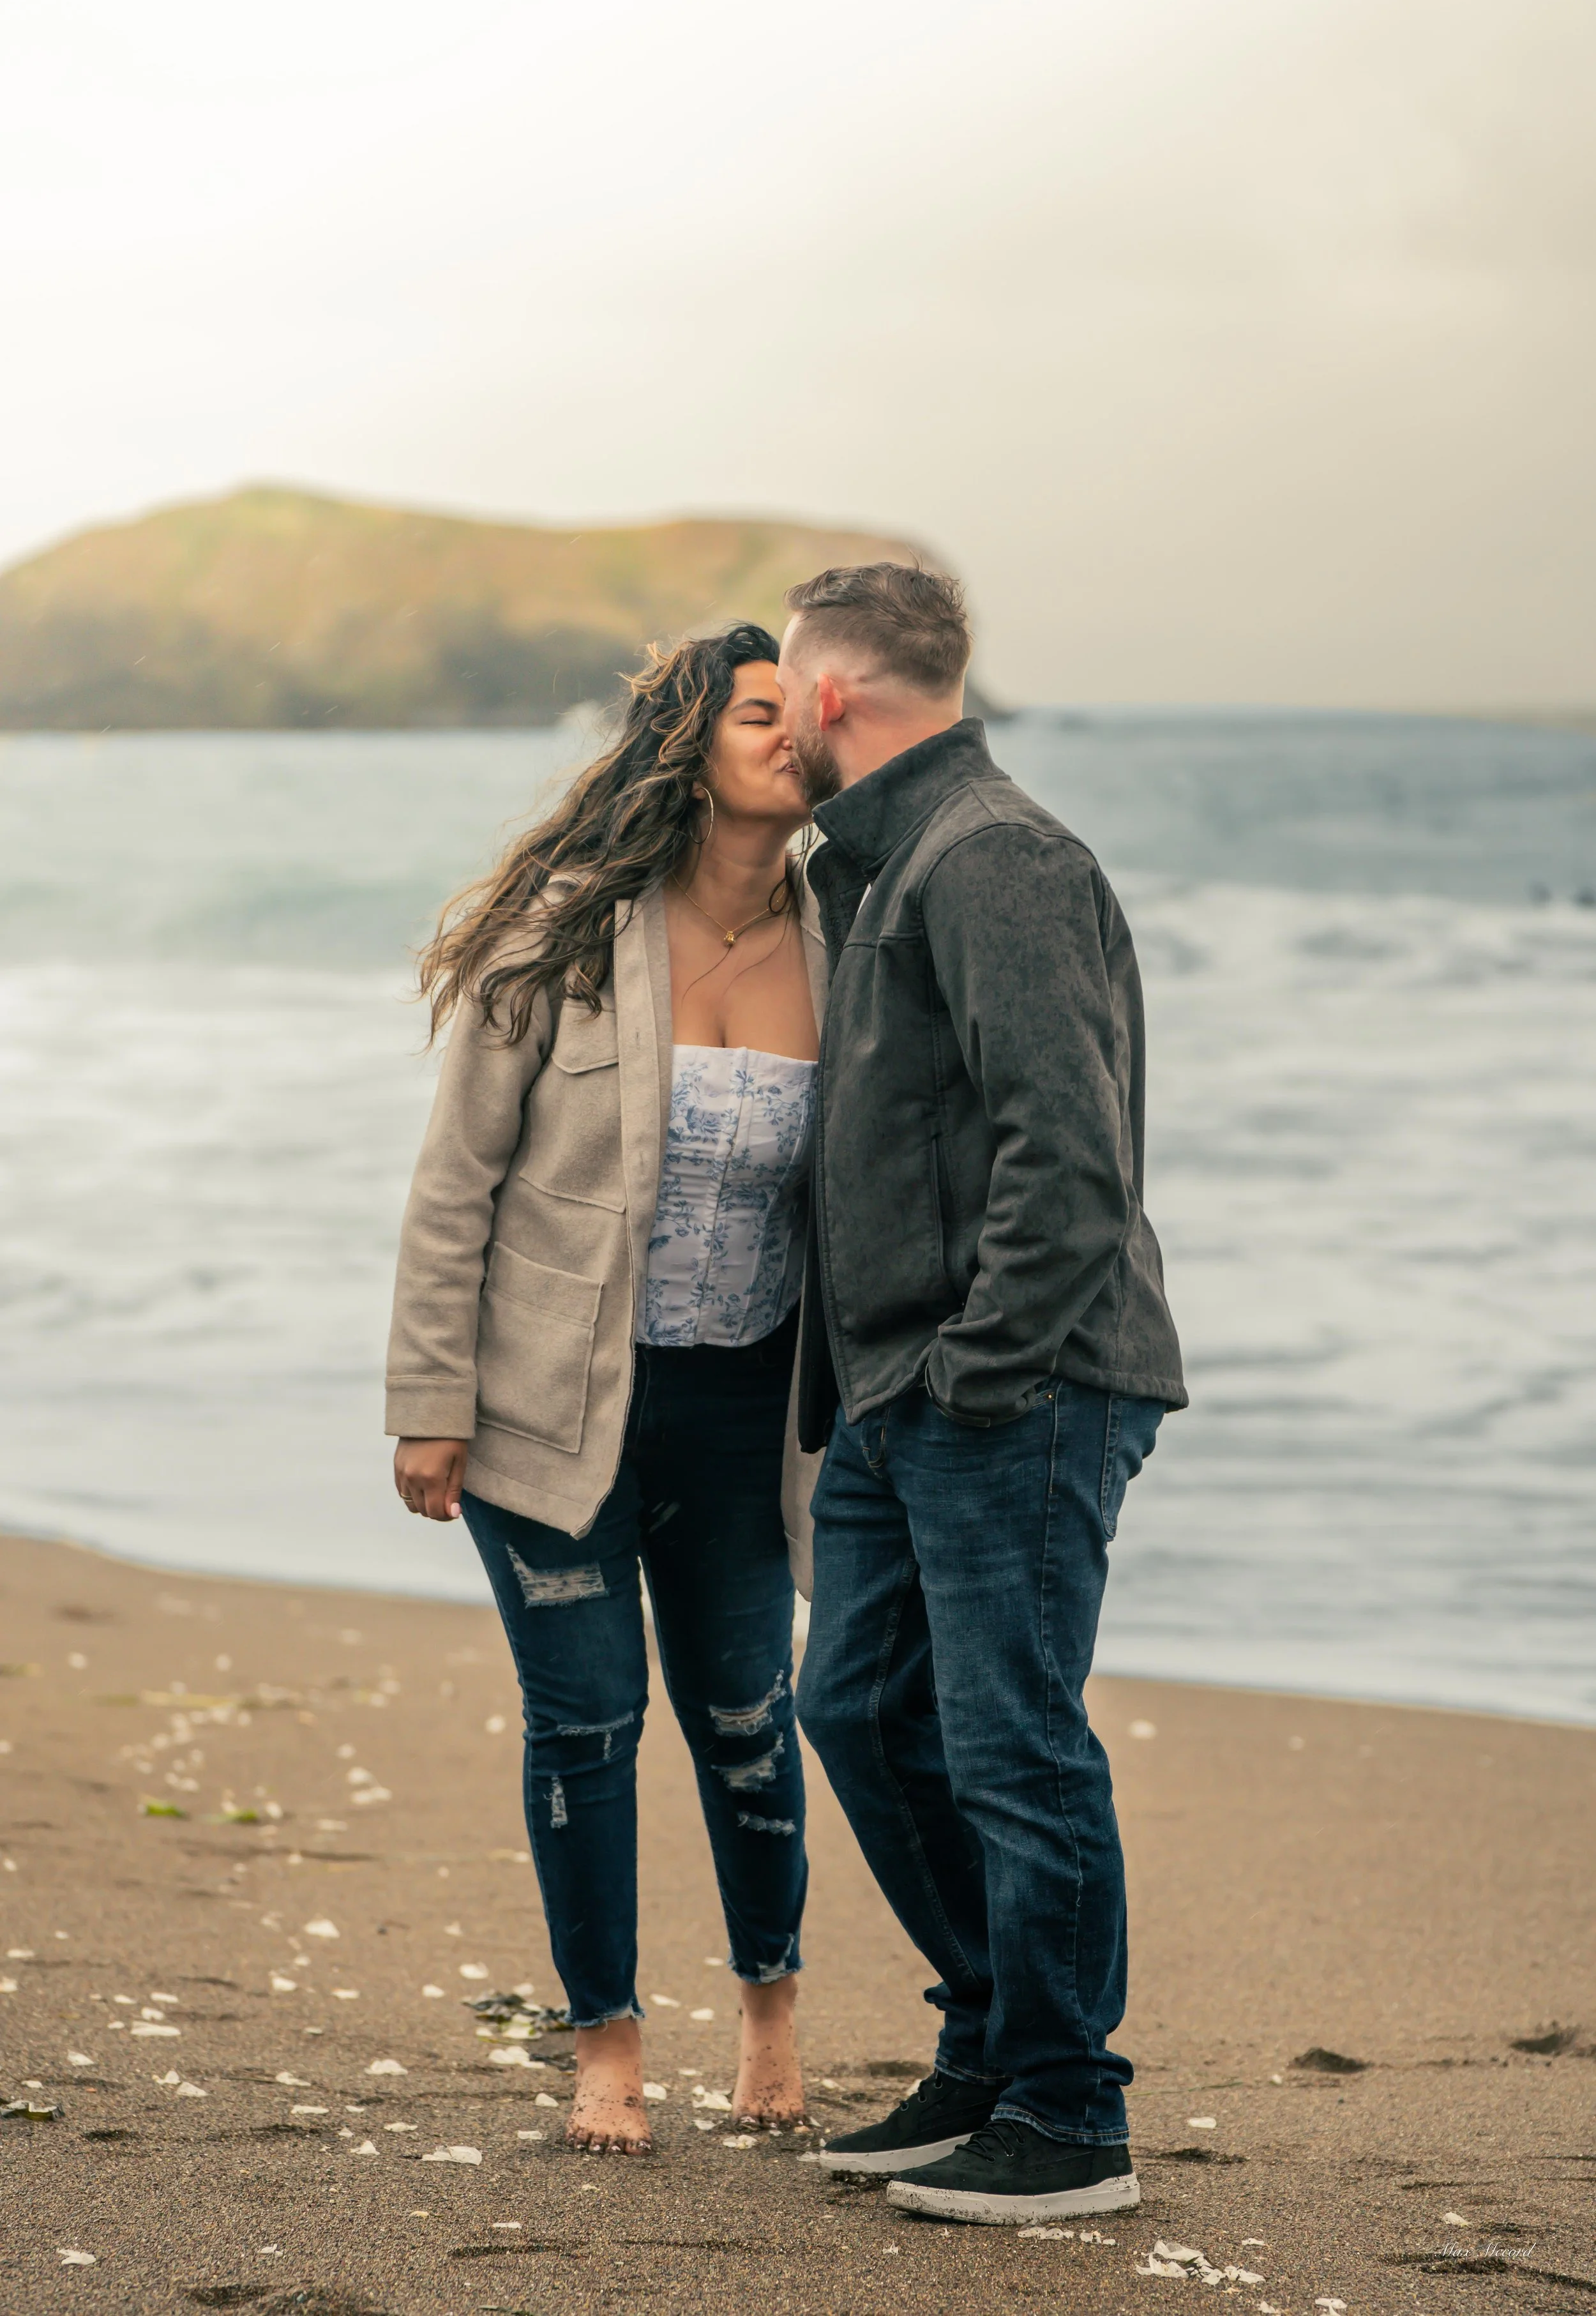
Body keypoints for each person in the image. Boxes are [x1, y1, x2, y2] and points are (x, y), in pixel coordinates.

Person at [386, 623, 828, 2154]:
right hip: (546, 1407)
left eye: (803, 715)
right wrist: (426, 1395)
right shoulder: (564, 936)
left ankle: (769, 2004)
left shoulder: (850, 942)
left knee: (747, 1716)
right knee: (583, 1724)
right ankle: (606, 2041)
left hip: (739, 1413)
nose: (789, 734)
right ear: (688, 743)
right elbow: (456, 1184)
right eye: (759, 711)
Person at [779, 563, 1186, 2224]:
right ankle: (994, 2045)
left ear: (823, 697)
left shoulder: (993, 855)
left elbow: (1069, 1150)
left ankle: (1069, 2112)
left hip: (1010, 1385)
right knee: (859, 1709)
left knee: (1008, 1738)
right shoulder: (887, 866)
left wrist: (980, 1366)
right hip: (901, 1386)